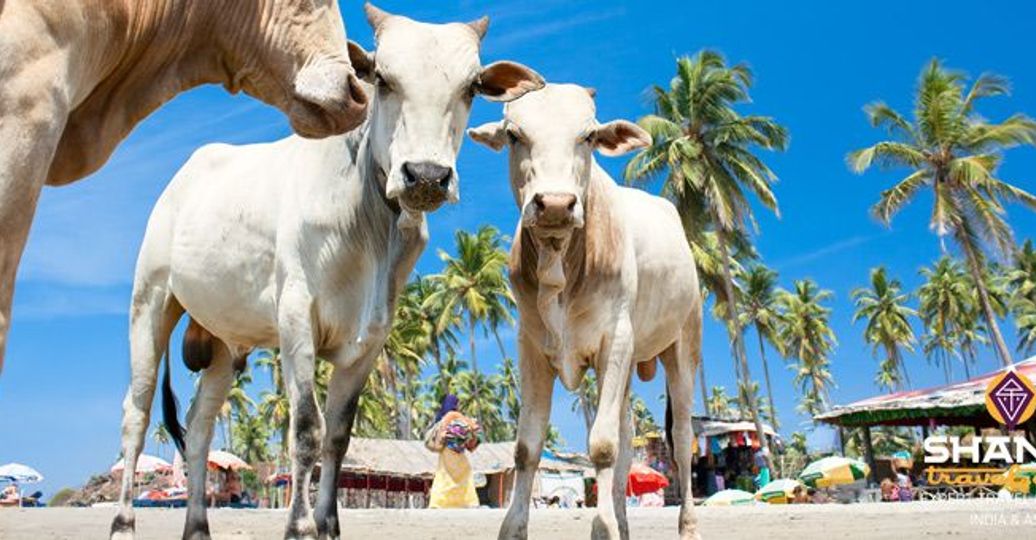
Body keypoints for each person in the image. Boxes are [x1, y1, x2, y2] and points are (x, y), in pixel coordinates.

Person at [425, 394, 482, 509]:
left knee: (444, 477)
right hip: (456, 452)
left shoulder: (442, 419)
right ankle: (468, 502)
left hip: (446, 453)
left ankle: (439, 502)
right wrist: (472, 425)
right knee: (464, 475)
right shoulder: (453, 415)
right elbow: (470, 429)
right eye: (457, 403)